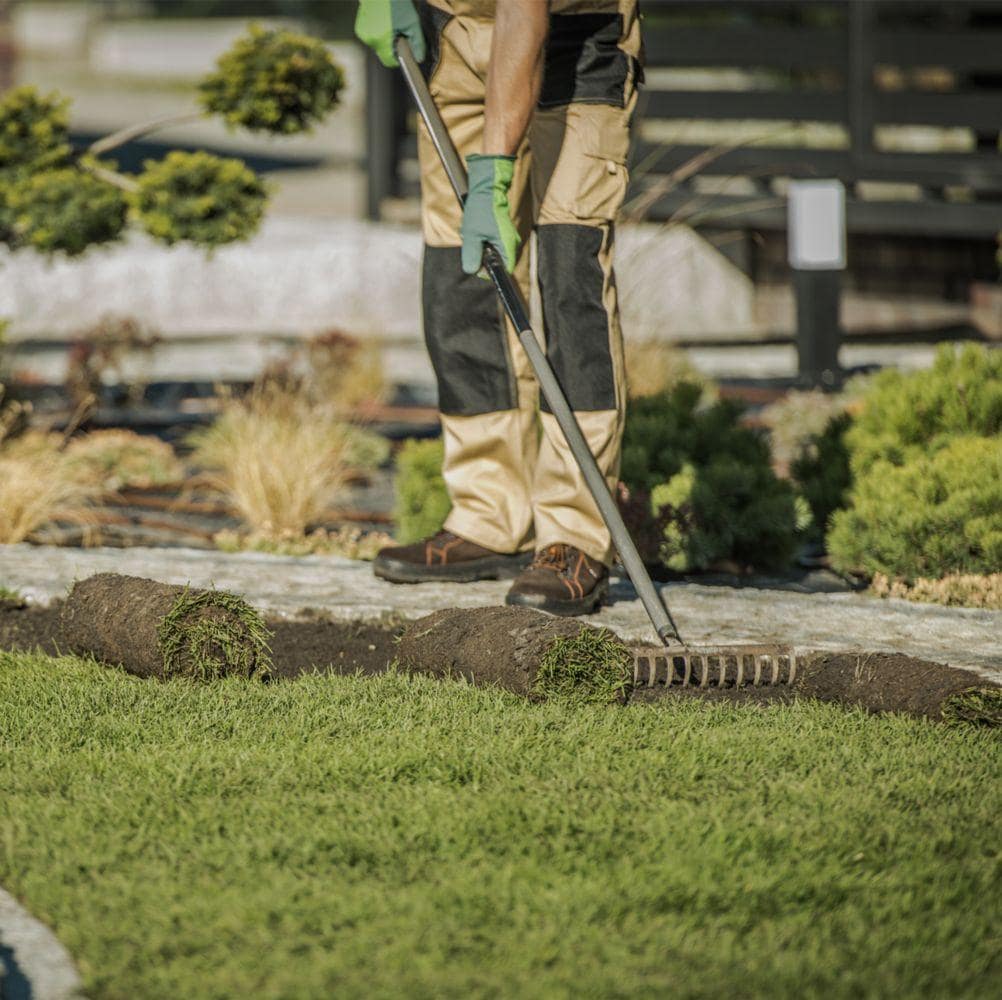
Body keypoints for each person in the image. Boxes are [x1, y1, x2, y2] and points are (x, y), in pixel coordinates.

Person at [356, 0, 642, 615]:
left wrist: (491, 174)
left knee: (571, 274)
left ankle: (574, 534)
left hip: (573, 38)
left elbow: (524, 14)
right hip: (457, 38)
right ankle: (489, 513)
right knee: (459, 275)